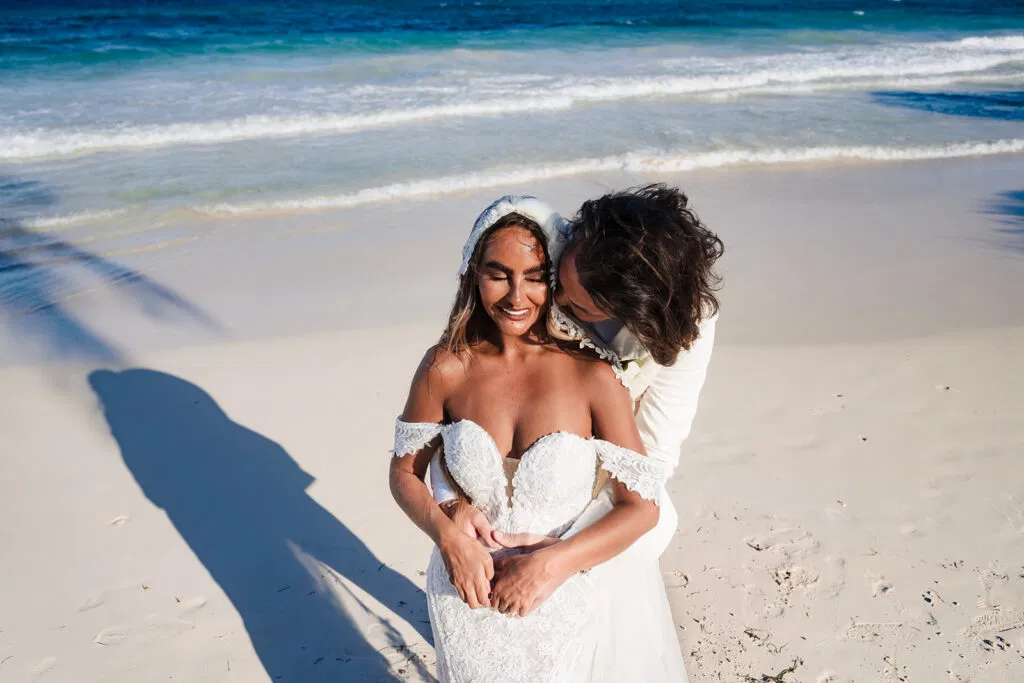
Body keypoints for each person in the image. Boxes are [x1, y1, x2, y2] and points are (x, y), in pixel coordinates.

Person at [389, 197, 687, 682]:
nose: (515, 296)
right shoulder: (443, 366)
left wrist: (554, 565)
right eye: (498, 273)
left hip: (559, 591)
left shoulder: (593, 374)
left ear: (555, 282)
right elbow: (404, 473)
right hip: (463, 591)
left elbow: (643, 507)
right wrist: (447, 538)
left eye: (534, 276)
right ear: (472, 273)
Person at [436, 184, 723, 560]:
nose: (552, 301)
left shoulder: (688, 327)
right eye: (558, 282)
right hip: (498, 467)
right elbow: (453, 405)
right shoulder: (539, 247)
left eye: (578, 307)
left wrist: (563, 552)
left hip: (593, 472)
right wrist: (450, 503)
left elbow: (654, 455)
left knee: (654, 529)